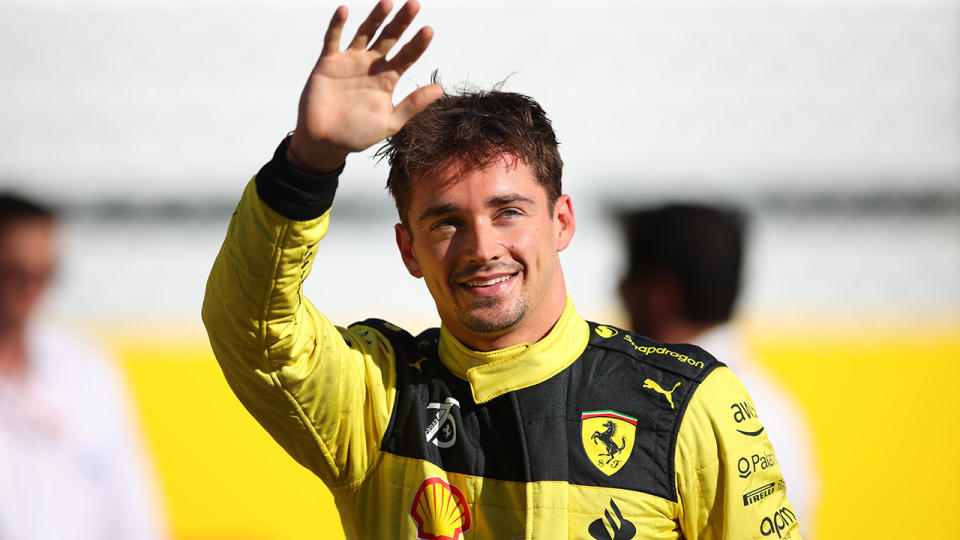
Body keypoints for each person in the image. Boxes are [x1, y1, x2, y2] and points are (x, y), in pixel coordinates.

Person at [202, 2, 801, 538]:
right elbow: (251, 324)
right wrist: (309, 163)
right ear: (408, 250)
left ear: (562, 221)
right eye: (445, 222)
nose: (481, 247)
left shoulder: (692, 403)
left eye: (508, 211)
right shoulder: (377, 398)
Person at [618, 203, 820, 537]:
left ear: (658, 294)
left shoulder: (660, 407)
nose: (619, 291)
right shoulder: (775, 405)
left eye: (628, 279)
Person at [0, 193, 167, 539]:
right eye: (15, 272)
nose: (31, 289)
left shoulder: (85, 370)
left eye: (44, 273)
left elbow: (132, 504)